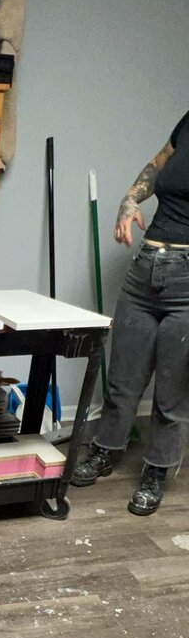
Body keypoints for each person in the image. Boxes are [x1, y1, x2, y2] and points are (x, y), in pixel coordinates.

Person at [72, 110, 189, 515]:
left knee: (173, 391)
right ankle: (105, 449)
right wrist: (128, 201)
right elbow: (158, 163)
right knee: (123, 378)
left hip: (187, 283)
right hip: (145, 269)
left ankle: (156, 470)